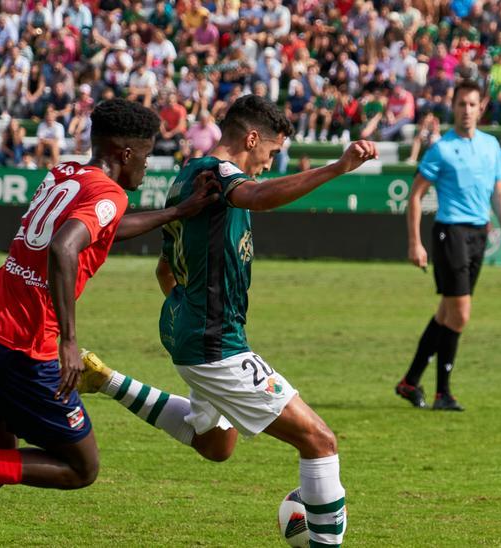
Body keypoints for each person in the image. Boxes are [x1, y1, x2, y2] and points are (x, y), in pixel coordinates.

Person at [0, 99, 224, 546]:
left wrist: (176, 214)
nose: (147, 167)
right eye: (145, 157)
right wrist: (69, 340)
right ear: (126, 153)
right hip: (22, 345)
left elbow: (102, 228)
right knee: (81, 468)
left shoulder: (67, 173)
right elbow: (66, 246)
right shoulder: (110, 192)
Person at [75, 95, 378, 548]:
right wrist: (336, 168)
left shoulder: (186, 176)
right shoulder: (216, 176)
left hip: (188, 333)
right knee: (320, 441)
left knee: (216, 446)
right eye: (270, 153)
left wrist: (189, 310)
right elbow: (256, 196)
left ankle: (107, 380)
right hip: (216, 344)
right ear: (251, 139)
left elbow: (165, 269)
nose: (268, 164)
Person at [395, 80, 501, 412]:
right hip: (450, 233)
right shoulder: (442, 149)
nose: (467, 110)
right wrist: (414, 243)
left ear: (481, 108)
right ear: (454, 107)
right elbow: (416, 196)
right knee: (460, 314)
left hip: (479, 234)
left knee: (447, 314)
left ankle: (409, 382)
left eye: (472, 104)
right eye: (461, 104)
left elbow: (499, 192)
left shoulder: (491, 146)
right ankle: (442, 394)